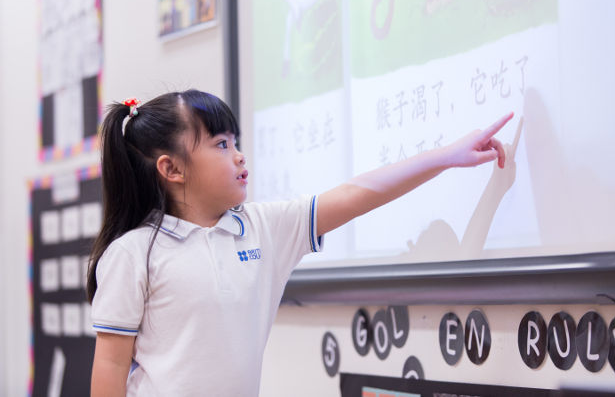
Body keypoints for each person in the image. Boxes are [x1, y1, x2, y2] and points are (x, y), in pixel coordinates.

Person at [87, 89, 512, 396]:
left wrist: (446, 156)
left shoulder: (261, 227)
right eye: (221, 144)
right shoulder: (133, 254)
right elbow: (110, 367)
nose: (239, 155)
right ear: (172, 169)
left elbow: (356, 192)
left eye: (236, 142)